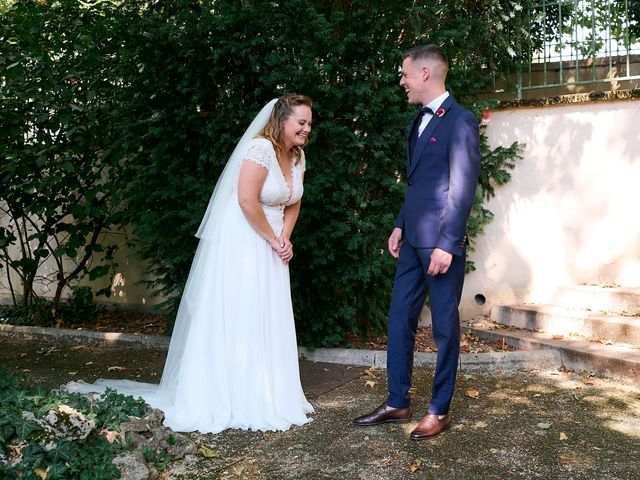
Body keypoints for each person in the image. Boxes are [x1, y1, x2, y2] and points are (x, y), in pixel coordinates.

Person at [68, 94, 314, 433]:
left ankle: (270, 392)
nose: (307, 128)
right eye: (301, 122)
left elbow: (293, 201)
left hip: (273, 243)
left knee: (267, 313)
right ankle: (234, 395)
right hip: (245, 240)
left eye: (309, 123)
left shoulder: (297, 156)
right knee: (241, 312)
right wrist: (273, 240)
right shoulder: (259, 150)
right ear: (282, 121)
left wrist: (285, 237)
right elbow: (245, 200)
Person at [353, 45, 480, 439]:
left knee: (443, 328)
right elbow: (419, 184)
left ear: (425, 74)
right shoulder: (417, 122)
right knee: (398, 319)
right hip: (411, 240)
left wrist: (447, 243)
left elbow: (463, 185)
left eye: (405, 74)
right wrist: (399, 224)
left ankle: (439, 410)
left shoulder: (460, 120)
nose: (402, 80)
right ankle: (397, 401)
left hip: (440, 245)